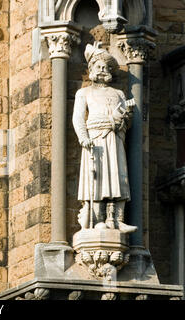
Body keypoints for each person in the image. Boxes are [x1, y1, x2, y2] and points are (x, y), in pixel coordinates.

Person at [72, 42, 137, 233]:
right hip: (95, 139)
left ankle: (116, 220)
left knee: (118, 177)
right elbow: (77, 118)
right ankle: (97, 219)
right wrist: (83, 138)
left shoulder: (118, 93)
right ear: (91, 68)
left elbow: (129, 123)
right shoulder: (84, 93)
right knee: (97, 179)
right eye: (98, 66)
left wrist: (127, 115)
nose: (102, 70)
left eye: (105, 67)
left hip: (114, 137)